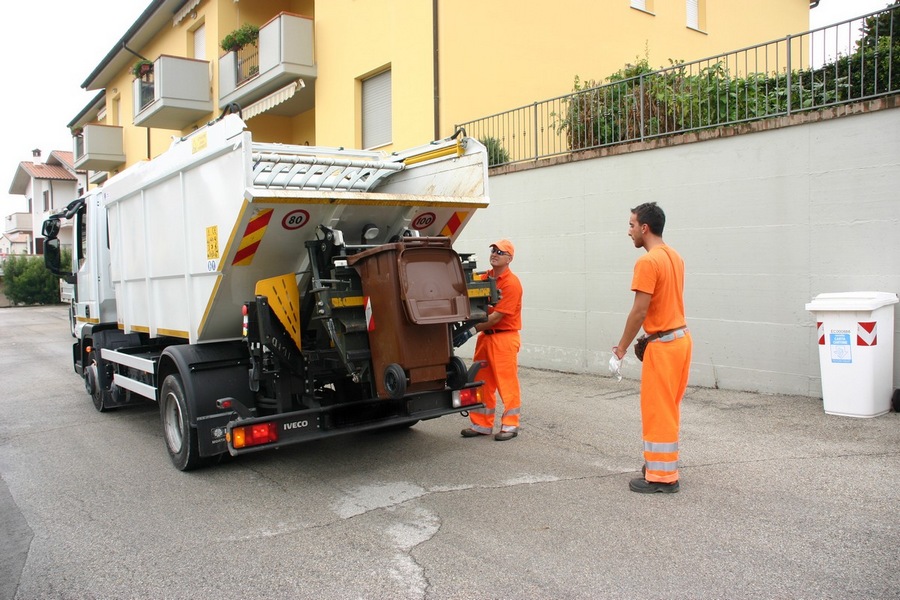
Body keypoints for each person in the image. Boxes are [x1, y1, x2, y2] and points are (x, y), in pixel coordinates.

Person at [611, 202, 692, 493]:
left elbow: (639, 311)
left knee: (658, 410)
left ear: (644, 228)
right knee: (669, 408)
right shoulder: (675, 257)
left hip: (664, 347)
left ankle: (661, 478)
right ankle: (661, 464)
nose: (629, 231)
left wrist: (621, 347)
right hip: (680, 339)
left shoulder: (647, 262)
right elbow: (666, 304)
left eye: (631, 225)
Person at [460, 239, 523, 441]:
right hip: (486, 338)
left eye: (500, 252)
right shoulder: (485, 277)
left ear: (510, 259)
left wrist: (469, 331)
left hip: (504, 338)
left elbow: (496, 317)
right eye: (493, 250)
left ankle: (510, 425)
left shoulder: (512, 284)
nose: (495, 253)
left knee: (507, 383)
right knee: (481, 382)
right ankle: (481, 424)